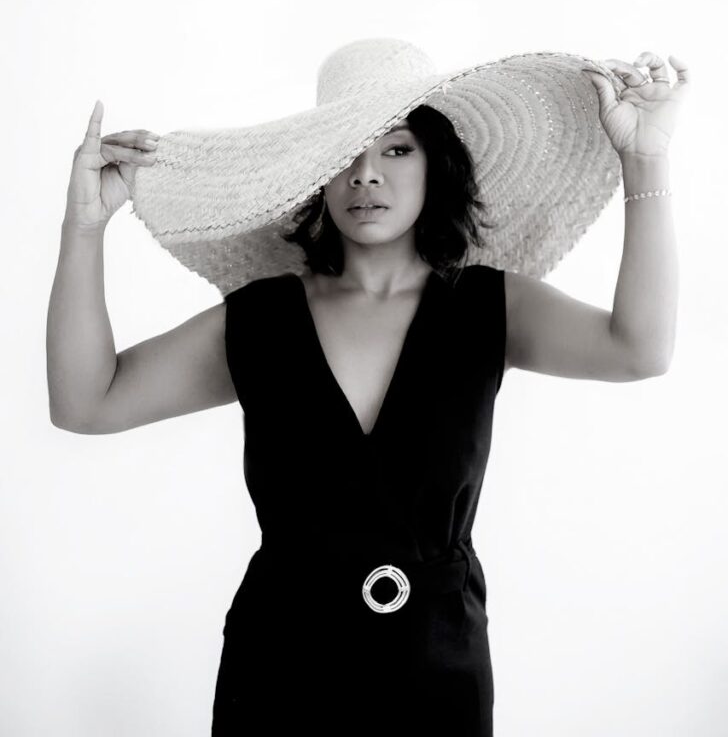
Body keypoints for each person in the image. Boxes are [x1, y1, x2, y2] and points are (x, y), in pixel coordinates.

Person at [47, 38, 689, 735]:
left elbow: (639, 349)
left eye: (397, 149)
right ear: (315, 177)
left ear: (437, 164)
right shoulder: (260, 319)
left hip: (440, 678)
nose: (365, 175)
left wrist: (644, 160)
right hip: (278, 679)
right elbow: (87, 402)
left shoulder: (489, 306)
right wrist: (83, 227)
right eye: (344, 154)